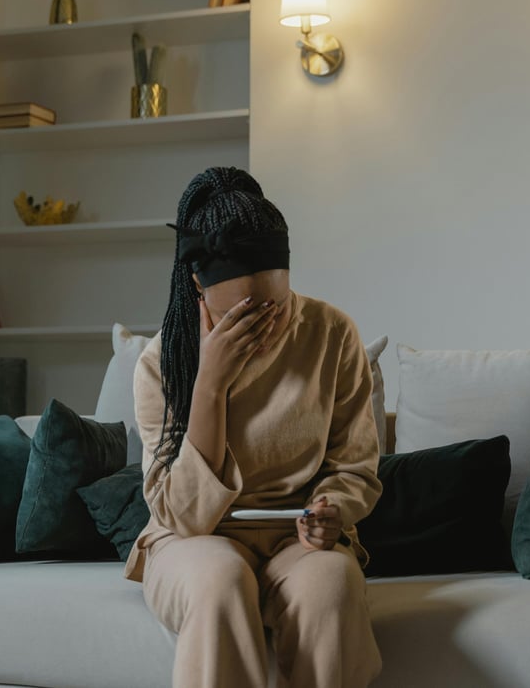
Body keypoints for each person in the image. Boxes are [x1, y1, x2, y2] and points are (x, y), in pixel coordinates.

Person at [124, 166, 383, 688]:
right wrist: (210, 385)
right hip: (194, 539)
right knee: (219, 581)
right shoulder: (161, 363)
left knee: (329, 586)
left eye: (276, 309)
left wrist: (335, 510)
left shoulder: (333, 334)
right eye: (243, 317)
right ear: (198, 288)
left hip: (299, 540)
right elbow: (184, 516)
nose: (264, 331)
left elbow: (353, 467)